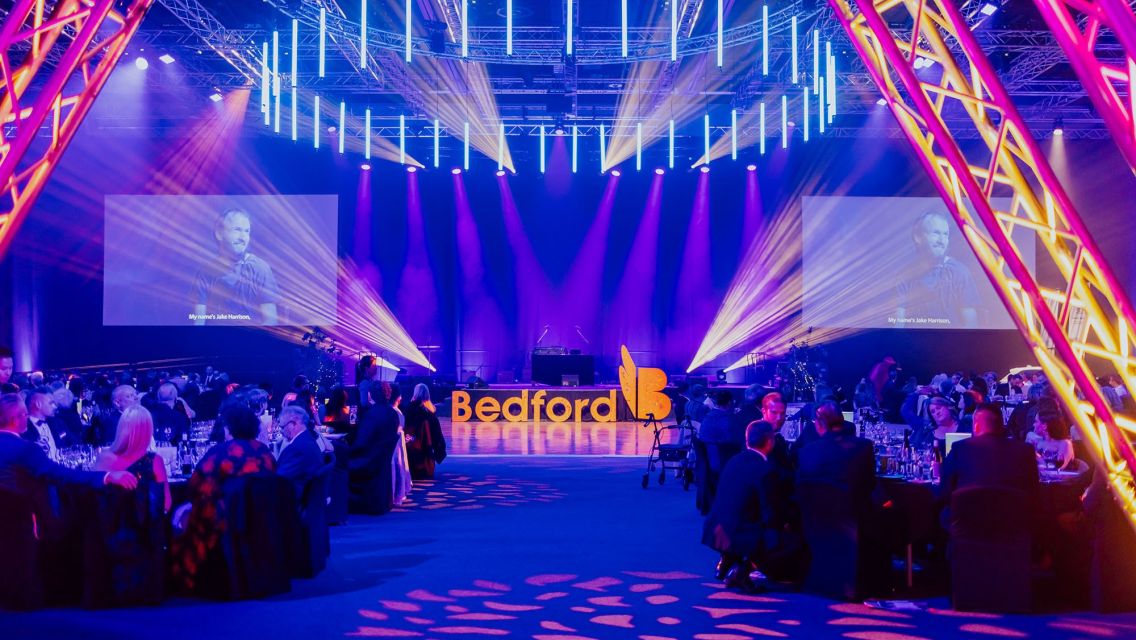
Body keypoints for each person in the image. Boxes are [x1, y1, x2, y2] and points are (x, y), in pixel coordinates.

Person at [171, 404, 277, 591]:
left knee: (184, 511)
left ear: (228, 428)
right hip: (261, 518)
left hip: (225, 519)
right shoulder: (264, 452)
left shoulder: (221, 452)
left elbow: (197, 485)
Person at [703, 421, 799, 590]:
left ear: (747, 439)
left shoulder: (734, 460)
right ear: (770, 442)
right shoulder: (765, 470)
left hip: (715, 527)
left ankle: (729, 560)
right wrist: (787, 523)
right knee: (787, 539)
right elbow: (770, 513)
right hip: (737, 533)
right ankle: (742, 572)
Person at [0, 393, 138, 496]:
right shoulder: (25, 448)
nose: (27, 417)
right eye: (25, 415)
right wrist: (106, 476)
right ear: (15, 420)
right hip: (21, 516)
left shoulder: (56, 423)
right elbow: (59, 473)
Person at [939, 402, 1039, 512]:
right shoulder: (1025, 450)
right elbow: (1033, 492)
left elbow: (945, 491)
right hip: (1013, 520)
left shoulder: (959, 448)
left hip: (969, 520)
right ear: (1001, 425)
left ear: (975, 426)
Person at [192, 208, 280, 326]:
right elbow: (198, 321)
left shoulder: (260, 268)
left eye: (247, 231)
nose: (243, 237)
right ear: (219, 234)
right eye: (237, 229)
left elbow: (270, 321)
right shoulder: (206, 272)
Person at [895, 211, 980, 328]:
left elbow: (970, 324)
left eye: (945, 235)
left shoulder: (960, 272)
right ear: (918, 238)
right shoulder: (904, 276)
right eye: (936, 233)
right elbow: (898, 323)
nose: (941, 241)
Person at [796, 400, 876, 518]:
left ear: (818, 424)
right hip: (857, 519)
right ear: (842, 420)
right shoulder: (864, 447)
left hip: (817, 521)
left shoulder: (806, 452)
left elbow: (802, 490)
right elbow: (870, 484)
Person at [93, 405, 171, 512]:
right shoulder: (155, 461)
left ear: (120, 428)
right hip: (143, 525)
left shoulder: (103, 457)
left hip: (108, 524)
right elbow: (166, 503)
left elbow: (94, 495)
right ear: (149, 431)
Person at [348, 382, 403, 515]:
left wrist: (346, 448)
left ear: (371, 395)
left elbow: (362, 442)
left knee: (336, 459)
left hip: (368, 459)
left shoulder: (372, 414)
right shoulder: (392, 413)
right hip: (381, 457)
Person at [275, 405, 323, 500]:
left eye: (282, 427)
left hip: (292, 502)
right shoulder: (308, 439)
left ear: (294, 423)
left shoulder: (297, 449)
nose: (281, 431)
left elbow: (279, 481)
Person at [402, 384, 447, 480]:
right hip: (425, 451)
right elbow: (437, 435)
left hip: (409, 446)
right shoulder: (430, 414)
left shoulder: (407, 409)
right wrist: (440, 451)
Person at [21, 387, 67, 461]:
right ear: (38, 404)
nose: (55, 407)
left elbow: (68, 443)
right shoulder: (23, 430)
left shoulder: (57, 422)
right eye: (51, 403)